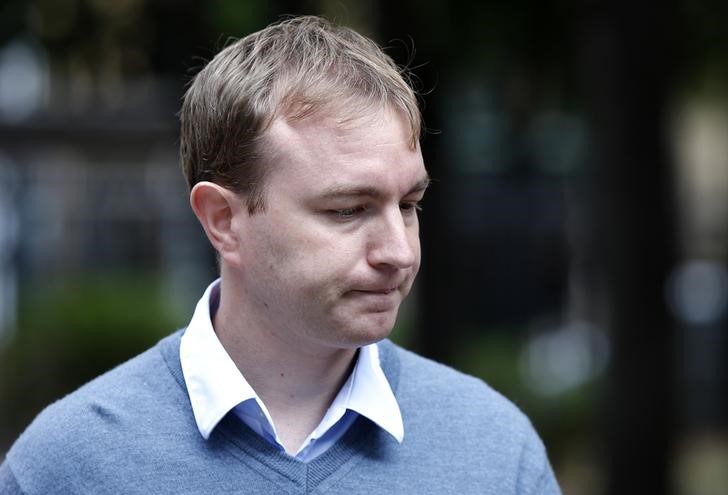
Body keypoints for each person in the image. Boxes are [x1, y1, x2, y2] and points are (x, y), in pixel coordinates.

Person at [0, 16, 561, 494]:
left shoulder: (495, 453)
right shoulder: (71, 466)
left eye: (409, 203)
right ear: (223, 221)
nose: (399, 251)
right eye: (348, 209)